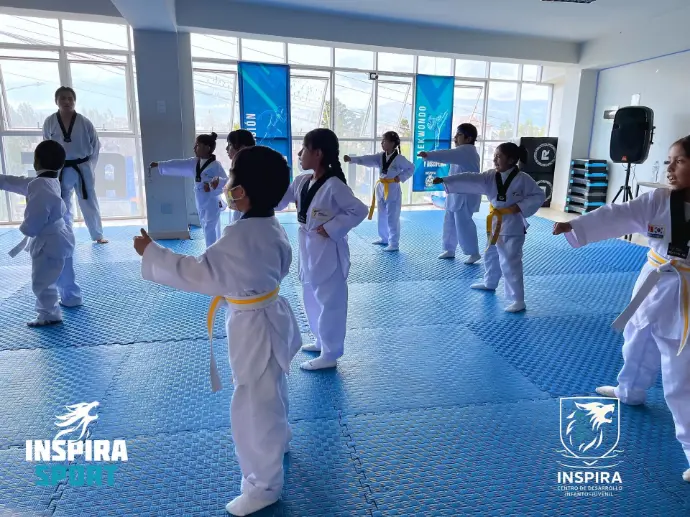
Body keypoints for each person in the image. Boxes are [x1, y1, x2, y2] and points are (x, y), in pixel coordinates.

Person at [134, 145, 302, 515]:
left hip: (253, 326)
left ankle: (263, 486)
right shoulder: (270, 226)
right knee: (271, 389)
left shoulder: (241, 236)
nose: (227, 185)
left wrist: (152, 252)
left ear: (242, 191)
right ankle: (280, 440)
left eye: (232, 178)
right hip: (270, 316)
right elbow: (276, 266)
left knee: (253, 404)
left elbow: (198, 272)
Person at [553, 135, 690, 483]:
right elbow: (620, 214)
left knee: (680, 373)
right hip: (653, 279)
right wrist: (578, 225)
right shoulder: (659, 199)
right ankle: (630, 391)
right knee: (636, 338)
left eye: (679, 161)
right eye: (669, 160)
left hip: (686, 294)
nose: (669, 168)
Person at [276, 128, 368, 370]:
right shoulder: (301, 181)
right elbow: (279, 202)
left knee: (330, 301)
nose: (299, 154)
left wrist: (332, 227)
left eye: (304, 149)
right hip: (308, 247)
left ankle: (330, 353)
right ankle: (320, 339)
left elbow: (359, 210)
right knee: (310, 295)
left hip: (328, 249)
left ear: (318, 153)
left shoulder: (334, 185)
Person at [433, 142, 545, 312]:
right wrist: (446, 180)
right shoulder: (491, 176)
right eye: (495, 156)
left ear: (511, 160)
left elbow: (539, 195)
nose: (495, 159)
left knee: (510, 261)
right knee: (491, 254)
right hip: (495, 223)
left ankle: (518, 299)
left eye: (499, 156)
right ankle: (490, 282)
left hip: (513, 226)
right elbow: (471, 178)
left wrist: (520, 206)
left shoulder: (523, 179)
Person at [0, 140, 82, 327]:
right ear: (61, 165)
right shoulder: (51, 181)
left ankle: (49, 314)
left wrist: (28, 229)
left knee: (42, 279)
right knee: (65, 272)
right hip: (63, 236)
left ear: (35, 162)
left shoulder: (38, 185)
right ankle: (72, 297)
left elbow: (37, 213)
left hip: (49, 241)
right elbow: (14, 182)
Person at [42, 86, 107, 244]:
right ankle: (65, 234)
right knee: (63, 202)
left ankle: (97, 235)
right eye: (63, 98)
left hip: (82, 167)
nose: (67, 101)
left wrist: (90, 166)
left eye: (70, 98)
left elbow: (95, 145)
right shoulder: (50, 122)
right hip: (61, 168)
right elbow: (47, 146)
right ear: (56, 101)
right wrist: (51, 168)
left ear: (74, 101)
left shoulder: (85, 122)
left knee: (89, 201)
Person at [150, 133, 228, 247]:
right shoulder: (194, 162)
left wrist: (212, 185)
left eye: (197, 145)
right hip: (200, 200)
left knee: (209, 228)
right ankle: (214, 250)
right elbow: (178, 164)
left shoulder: (216, 165)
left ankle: (211, 252)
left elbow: (226, 182)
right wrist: (160, 165)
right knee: (206, 226)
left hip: (212, 201)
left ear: (207, 148)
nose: (194, 148)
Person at [419, 123, 482, 263]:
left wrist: (429, 155)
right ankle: (449, 249)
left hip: (465, 195)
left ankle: (473, 252)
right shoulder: (462, 151)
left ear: (468, 138)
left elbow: (445, 155)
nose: (455, 137)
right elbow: (449, 156)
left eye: (459, 134)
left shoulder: (466, 151)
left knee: (463, 224)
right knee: (449, 221)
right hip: (454, 193)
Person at [344, 131, 414, 252]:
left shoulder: (399, 159)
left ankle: (394, 243)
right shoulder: (381, 156)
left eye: (384, 141)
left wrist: (401, 177)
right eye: (382, 141)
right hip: (381, 186)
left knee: (392, 217)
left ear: (392, 143)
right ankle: (384, 238)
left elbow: (411, 167)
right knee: (381, 215)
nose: (382, 143)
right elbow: (367, 159)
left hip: (392, 188)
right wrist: (352, 159)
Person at [225, 129, 256, 224]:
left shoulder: (252, 170)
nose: (227, 149)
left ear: (242, 147)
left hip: (250, 219)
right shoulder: (239, 168)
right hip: (241, 217)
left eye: (230, 144)